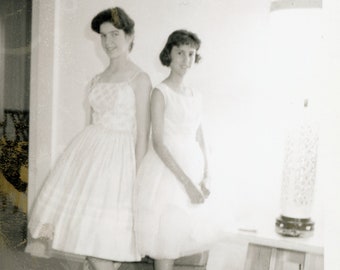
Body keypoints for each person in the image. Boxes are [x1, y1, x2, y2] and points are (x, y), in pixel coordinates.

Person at [25, 7, 151, 270]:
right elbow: (89, 124)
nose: (109, 42)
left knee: (105, 243)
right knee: (87, 238)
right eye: (104, 36)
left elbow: (142, 133)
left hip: (119, 162)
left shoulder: (140, 79)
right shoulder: (97, 79)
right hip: (88, 157)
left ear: (130, 36)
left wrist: (138, 177)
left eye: (115, 34)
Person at [134, 29, 233, 270]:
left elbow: (200, 137)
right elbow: (157, 143)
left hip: (193, 167)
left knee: (182, 235)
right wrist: (187, 183)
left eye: (191, 54)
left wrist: (207, 174)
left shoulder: (196, 95)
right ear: (169, 54)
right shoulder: (160, 92)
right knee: (165, 240)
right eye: (180, 52)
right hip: (167, 172)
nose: (185, 59)